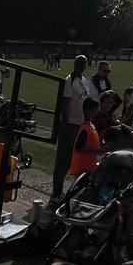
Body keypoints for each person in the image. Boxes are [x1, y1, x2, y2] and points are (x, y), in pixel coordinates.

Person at [52, 55, 91, 198]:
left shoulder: (84, 80)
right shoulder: (70, 80)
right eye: (80, 62)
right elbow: (65, 102)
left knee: (72, 159)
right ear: (75, 64)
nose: (82, 65)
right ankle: (56, 192)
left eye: (84, 63)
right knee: (63, 158)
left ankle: (68, 190)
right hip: (70, 124)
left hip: (80, 124)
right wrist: (66, 123)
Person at [68, 97, 103, 181]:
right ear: (87, 111)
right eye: (94, 110)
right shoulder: (84, 128)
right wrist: (94, 151)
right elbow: (78, 148)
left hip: (89, 165)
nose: (96, 113)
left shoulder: (90, 125)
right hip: (82, 166)